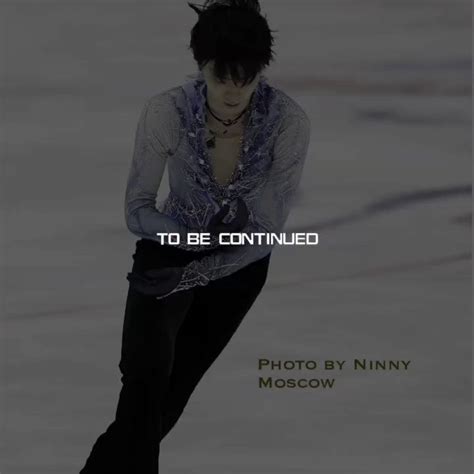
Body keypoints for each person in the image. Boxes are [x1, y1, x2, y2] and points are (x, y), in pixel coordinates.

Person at [79, 0, 311, 472]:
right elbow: (138, 208)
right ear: (202, 64)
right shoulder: (167, 111)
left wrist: (199, 270)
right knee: (144, 384)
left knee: (166, 400)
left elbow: (266, 231)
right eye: (222, 76)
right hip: (164, 256)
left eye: (245, 77)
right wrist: (187, 243)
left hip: (238, 271)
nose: (233, 90)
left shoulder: (287, 122)